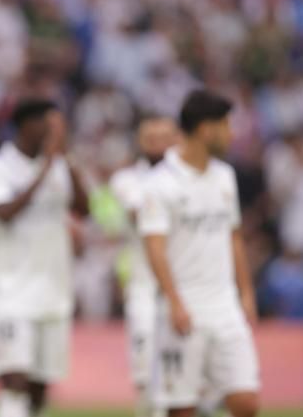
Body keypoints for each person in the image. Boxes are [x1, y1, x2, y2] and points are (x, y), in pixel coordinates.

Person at [139, 90, 260, 417]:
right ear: (206, 130)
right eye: (226, 125)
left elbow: (233, 238)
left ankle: (209, 403)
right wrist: (175, 301)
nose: (231, 133)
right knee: (182, 409)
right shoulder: (160, 183)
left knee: (246, 401)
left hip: (225, 306)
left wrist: (246, 294)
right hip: (185, 309)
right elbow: (155, 248)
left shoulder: (225, 177)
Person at [0, 99, 89, 417]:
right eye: (48, 125)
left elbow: (84, 209)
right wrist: (47, 167)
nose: (54, 133)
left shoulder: (61, 165)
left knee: (38, 390)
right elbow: (5, 213)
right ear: (26, 126)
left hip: (54, 291)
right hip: (11, 292)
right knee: (14, 381)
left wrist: (67, 160)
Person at [109, 115, 179, 417]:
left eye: (164, 136)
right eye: (150, 137)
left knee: (186, 373)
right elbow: (143, 217)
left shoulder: (190, 177)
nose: (158, 143)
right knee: (145, 366)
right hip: (145, 284)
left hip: (185, 283)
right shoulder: (127, 180)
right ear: (140, 141)